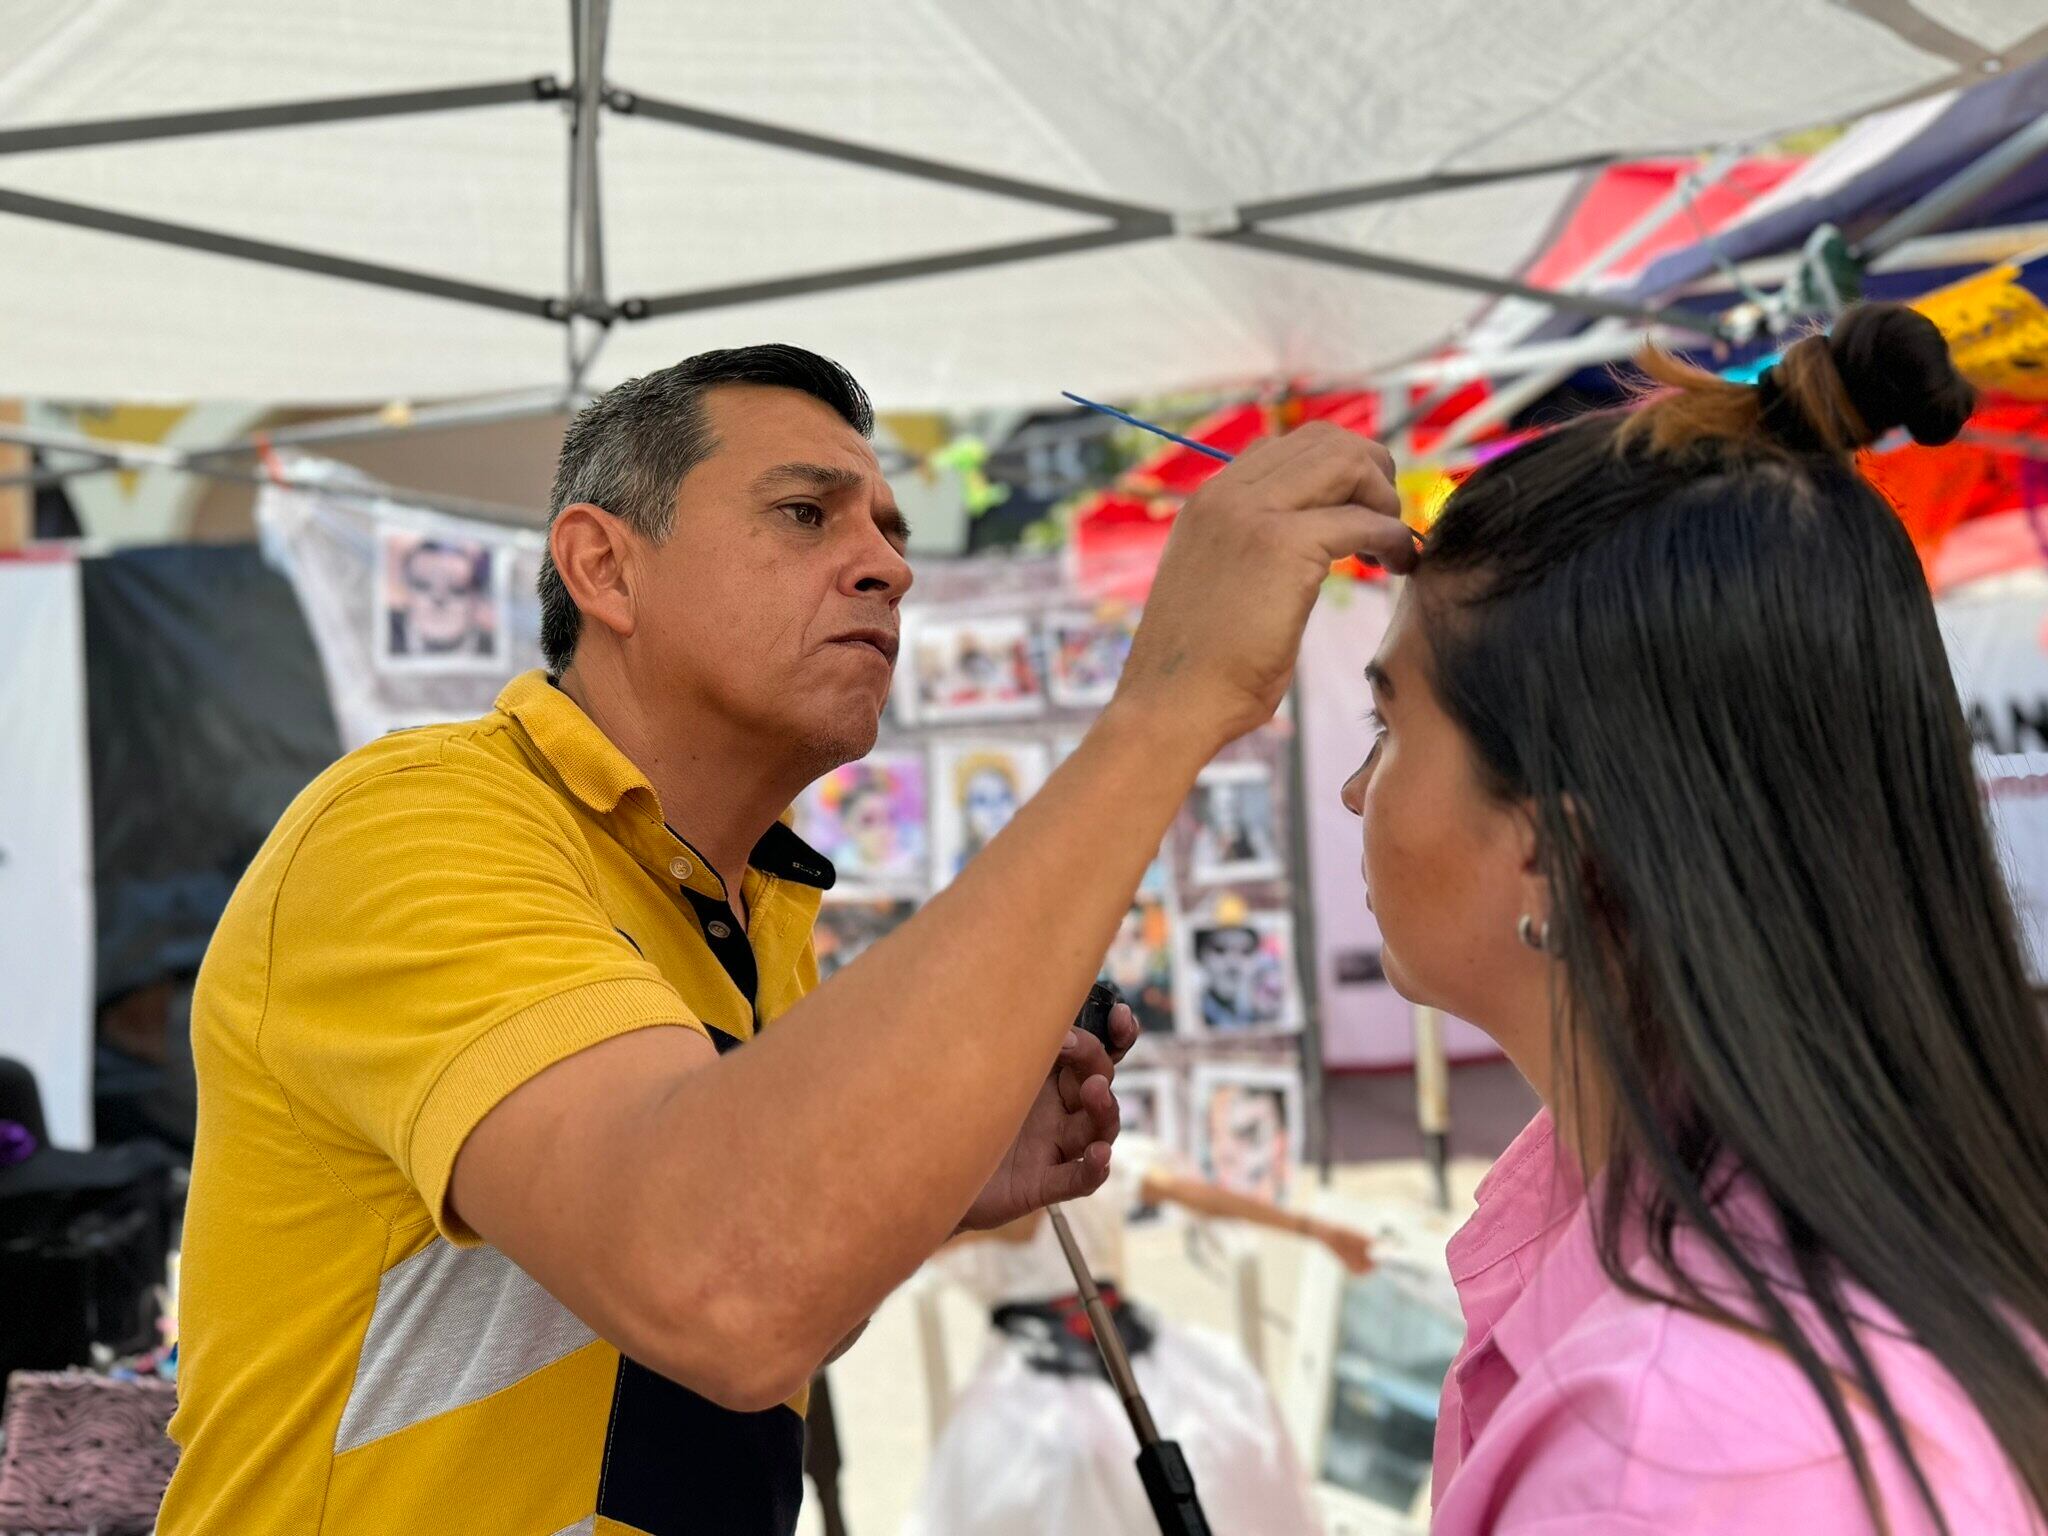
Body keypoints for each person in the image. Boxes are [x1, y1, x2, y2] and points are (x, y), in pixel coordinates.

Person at [158, 344, 1413, 1535]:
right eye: (807, 515)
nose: (885, 567)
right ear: (603, 568)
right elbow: (721, 1288)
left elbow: (742, 1339)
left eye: (887, 532)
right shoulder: (419, 825)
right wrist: (1166, 704)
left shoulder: (749, 907)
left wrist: (914, 1186)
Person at [1344, 303, 2048, 1534]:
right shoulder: (1851, 1247)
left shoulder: (1665, 1453)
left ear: (1560, 852)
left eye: (1385, 729)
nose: (1358, 791)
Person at [904, 1134, 1371, 1536]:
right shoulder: (955, 1181)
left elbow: (1190, 1194)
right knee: (1060, 1463)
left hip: (1128, 1337)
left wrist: (1317, 1230)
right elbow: (987, 1235)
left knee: (1224, 1430)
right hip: (1030, 1360)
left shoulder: (1083, 1156)